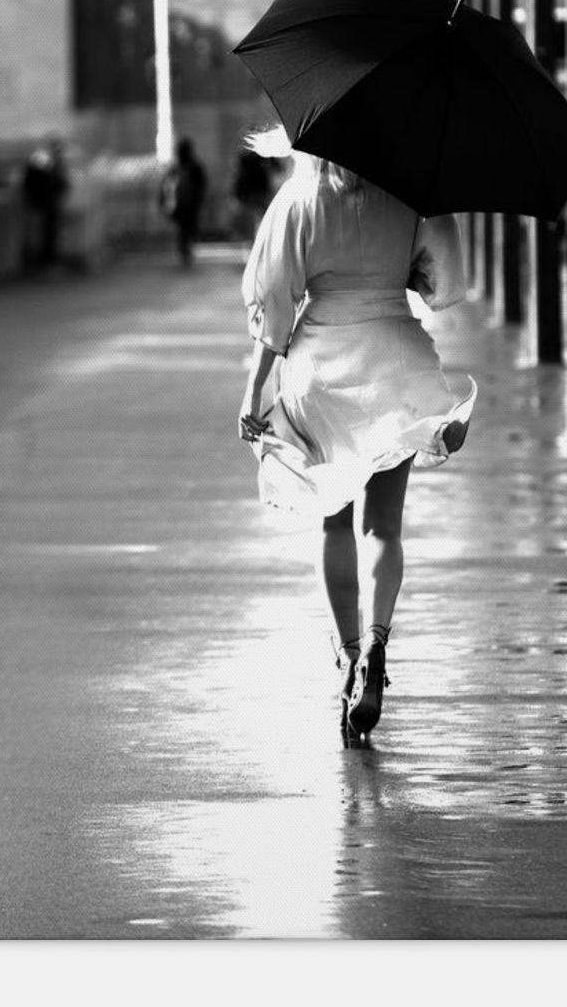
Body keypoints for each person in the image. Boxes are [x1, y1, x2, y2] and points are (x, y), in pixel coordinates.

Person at [235, 131, 477, 743]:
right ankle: (377, 643)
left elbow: (274, 304)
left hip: (321, 372)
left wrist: (255, 390)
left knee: (334, 522)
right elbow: (442, 285)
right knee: (384, 529)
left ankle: (347, 660)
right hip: (396, 363)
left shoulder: (299, 200)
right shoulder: (410, 197)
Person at [21, 139, 67, 271]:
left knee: (47, 231)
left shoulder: (45, 159)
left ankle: (46, 260)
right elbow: (43, 181)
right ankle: (45, 261)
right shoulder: (43, 159)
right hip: (44, 201)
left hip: (45, 201)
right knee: (45, 232)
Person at [162, 136, 208, 266]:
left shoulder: (176, 168)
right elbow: (202, 184)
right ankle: (187, 249)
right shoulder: (195, 167)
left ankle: (184, 250)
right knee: (188, 227)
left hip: (178, 204)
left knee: (183, 228)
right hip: (190, 204)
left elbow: (166, 186)